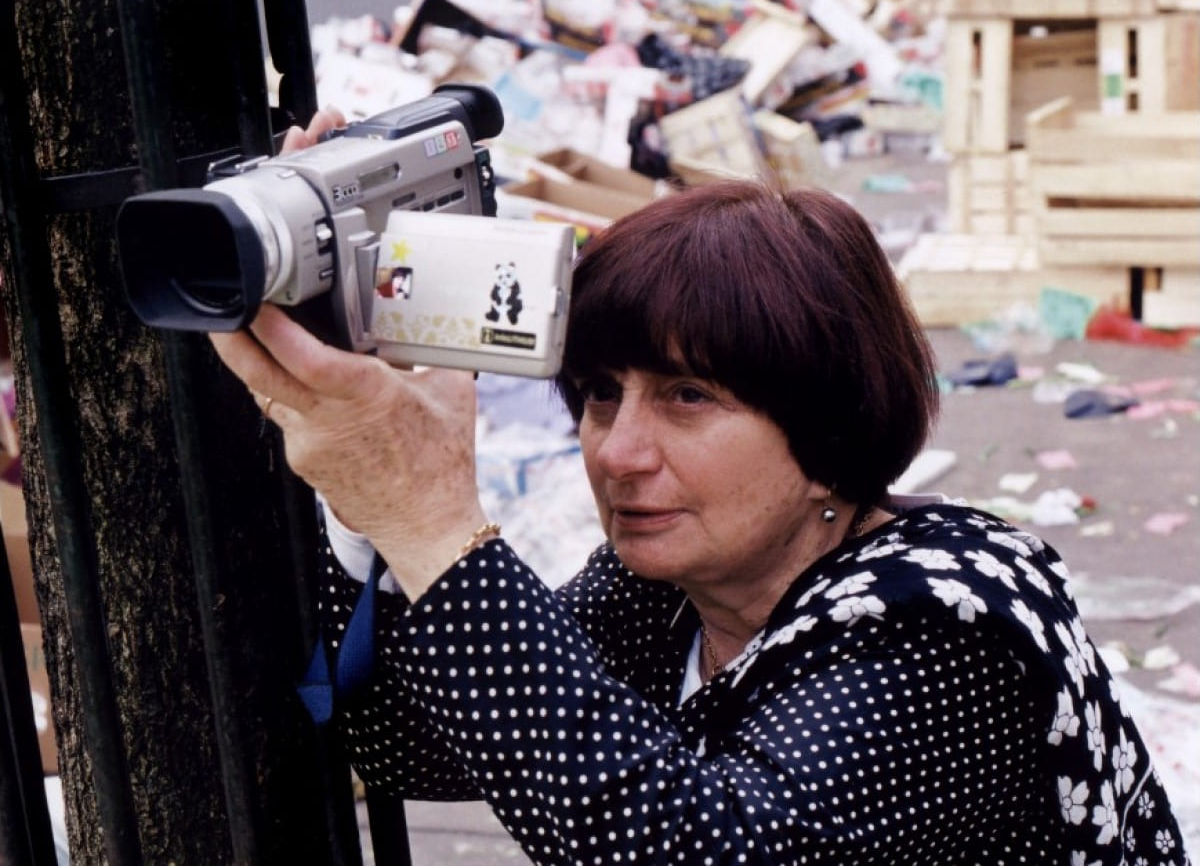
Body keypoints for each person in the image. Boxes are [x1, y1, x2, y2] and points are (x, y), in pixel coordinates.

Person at [210, 163, 1190, 863]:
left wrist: (432, 522)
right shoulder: (671, 590)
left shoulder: (942, 632)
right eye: (602, 392)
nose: (619, 451)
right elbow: (412, 742)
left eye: (688, 396)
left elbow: (692, 844)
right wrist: (369, 509)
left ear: (828, 435)